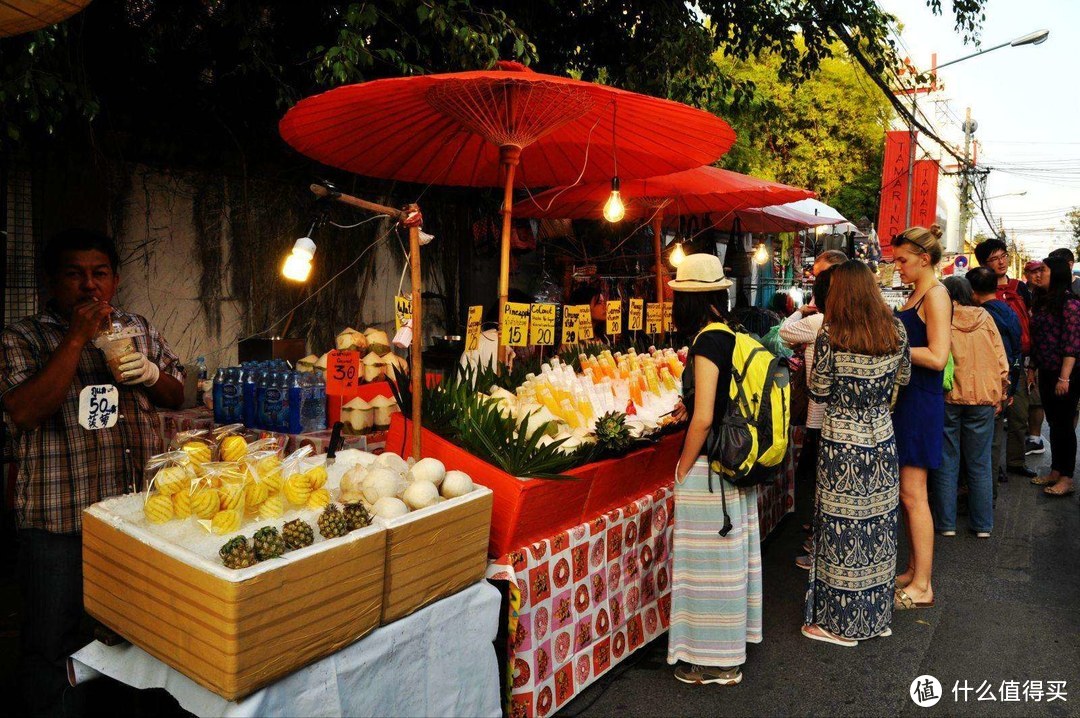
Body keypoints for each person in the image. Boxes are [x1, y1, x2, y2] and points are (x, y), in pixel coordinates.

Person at [0, 229, 185, 716]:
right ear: (51, 281)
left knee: (128, 634)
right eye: (74, 274)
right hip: (59, 521)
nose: (89, 286)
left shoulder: (137, 326)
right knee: (53, 643)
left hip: (133, 517)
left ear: (115, 279)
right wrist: (77, 338)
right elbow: (24, 412)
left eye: (99, 273)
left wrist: (150, 372)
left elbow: (179, 394)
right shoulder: (23, 336)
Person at [801, 261, 910, 646]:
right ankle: (876, 618)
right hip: (881, 437)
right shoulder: (896, 329)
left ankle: (840, 624)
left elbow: (819, 389)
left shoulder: (831, 334)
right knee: (878, 526)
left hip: (841, 442)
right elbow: (904, 378)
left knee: (840, 528)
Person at [667, 254, 760, 686]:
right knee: (730, 562)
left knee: (709, 568)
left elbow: (704, 416)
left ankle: (715, 661)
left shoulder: (707, 341)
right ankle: (730, 649)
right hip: (735, 463)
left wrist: (682, 470)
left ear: (690, 301)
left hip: (710, 470)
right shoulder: (732, 332)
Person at [891, 225, 950, 611]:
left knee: (914, 495)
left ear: (924, 259)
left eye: (903, 260)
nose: (897, 267)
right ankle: (915, 569)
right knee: (908, 494)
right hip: (910, 400)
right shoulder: (918, 293)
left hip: (921, 401)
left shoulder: (937, 295)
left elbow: (938, 356)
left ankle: (924, 585)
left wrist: (893, 348)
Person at [931, 277, 1009, 538]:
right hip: (984, 398)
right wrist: (1000, 392)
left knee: (947, 461)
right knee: (980, 463)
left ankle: (946, 524)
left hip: (949, 397)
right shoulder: (986, 318)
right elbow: (1001, 360)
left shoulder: (942, 319)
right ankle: (983, 525)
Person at [780, 266, 839, 568]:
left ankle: (818, 544)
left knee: (819, 480)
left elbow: (783, 332)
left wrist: (802, 310)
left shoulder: (819, 322)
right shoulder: (854, 323)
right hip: (845, 416)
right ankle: (819, 539)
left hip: (819, 414)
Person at [975, 238, 1038, 476]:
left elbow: (1029, 321)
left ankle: (1015, 462)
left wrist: (1031, 362)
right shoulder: (978, 288)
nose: (1001, 262)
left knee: (1019, 415)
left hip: (1016, 360)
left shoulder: (1020, 288)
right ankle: (993, 467)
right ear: (984, 264)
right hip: (988, 362)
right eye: (994, 259)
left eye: (1003, 256)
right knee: (992, 418)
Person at [1028, 256, 1080, 497]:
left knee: (1064, 425)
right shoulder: (1043, 301)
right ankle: (1056, 471)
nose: (1039, 274)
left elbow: (1072, 344)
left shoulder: (1070, 304)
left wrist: (1064, 378)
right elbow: (1038, 339)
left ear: (1056, 274)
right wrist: (1032, 368)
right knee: (1054, 423)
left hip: (1065, 374)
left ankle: (1067, 477)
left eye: (1044, 270)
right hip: (1046, 371)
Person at [968, 267, 1022, 492]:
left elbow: (993, 358)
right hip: (1005, 386)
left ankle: (982, 499)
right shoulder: (1008, 310)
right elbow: (1016, 352)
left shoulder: (983, 316)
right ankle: (988, 497)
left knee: (981, 450)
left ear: (972, 291)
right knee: (992, 444)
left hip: (988, 389)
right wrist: (1009, 391)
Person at [1022, 260, 1047, 456]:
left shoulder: (1047, 295)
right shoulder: (1023, 293)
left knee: (1036, 398)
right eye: (1033, 272)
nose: (1037, 275)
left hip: (1039, 352)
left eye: (1041, 271)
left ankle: (1035, 438)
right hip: (1025, 351)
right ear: (1026, 274)